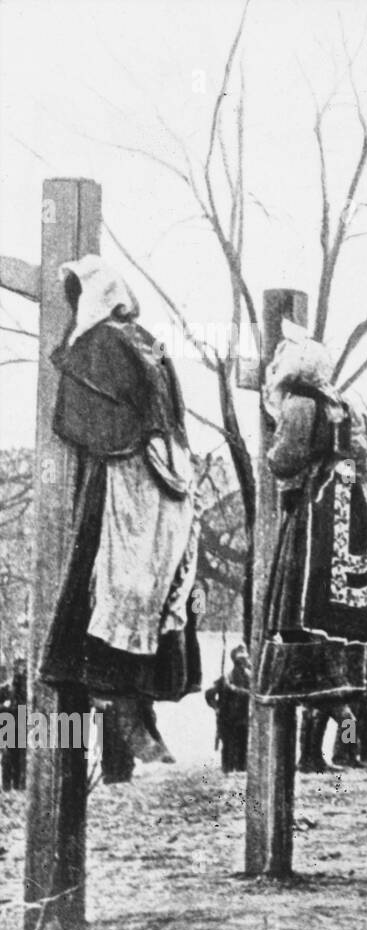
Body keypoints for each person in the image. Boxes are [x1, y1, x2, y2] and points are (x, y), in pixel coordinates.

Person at [40, 256, 202, 709]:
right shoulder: (149, 341)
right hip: (165, 471)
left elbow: (78, 419)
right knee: (152, 577)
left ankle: (99, 677)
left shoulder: (100, 342)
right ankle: (145, 684)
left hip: (124, 475)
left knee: (105, 572)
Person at [255, 321, 367, 769]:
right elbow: (363, 454)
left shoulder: (301, 403)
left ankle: (301, 679)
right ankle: (333, 691)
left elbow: (284, 458)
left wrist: (273, 442)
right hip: (350, 499)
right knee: (340, 597)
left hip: (318, 504)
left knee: (301, 597)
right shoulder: (343, 404)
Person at [205, 644, 251, 773]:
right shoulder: (226, 677)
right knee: (228, 747)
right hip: (227, 718)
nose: (242, 664)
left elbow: (252, 694)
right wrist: (216, 707)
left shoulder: (249, 678)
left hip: (243, 717)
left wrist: (236, 690)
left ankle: (241, 770)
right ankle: (228, 770)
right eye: (240, 661)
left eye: (244, 660)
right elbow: (209, 694)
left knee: (242, 746)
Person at [0, 657, 27, 792]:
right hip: (9, 726)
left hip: (22, 727)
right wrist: (5, 708)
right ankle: (7, 786)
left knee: (17, 759)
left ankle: (16, 786)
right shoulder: (7, 688)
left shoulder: (27, 689)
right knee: (8, 756)